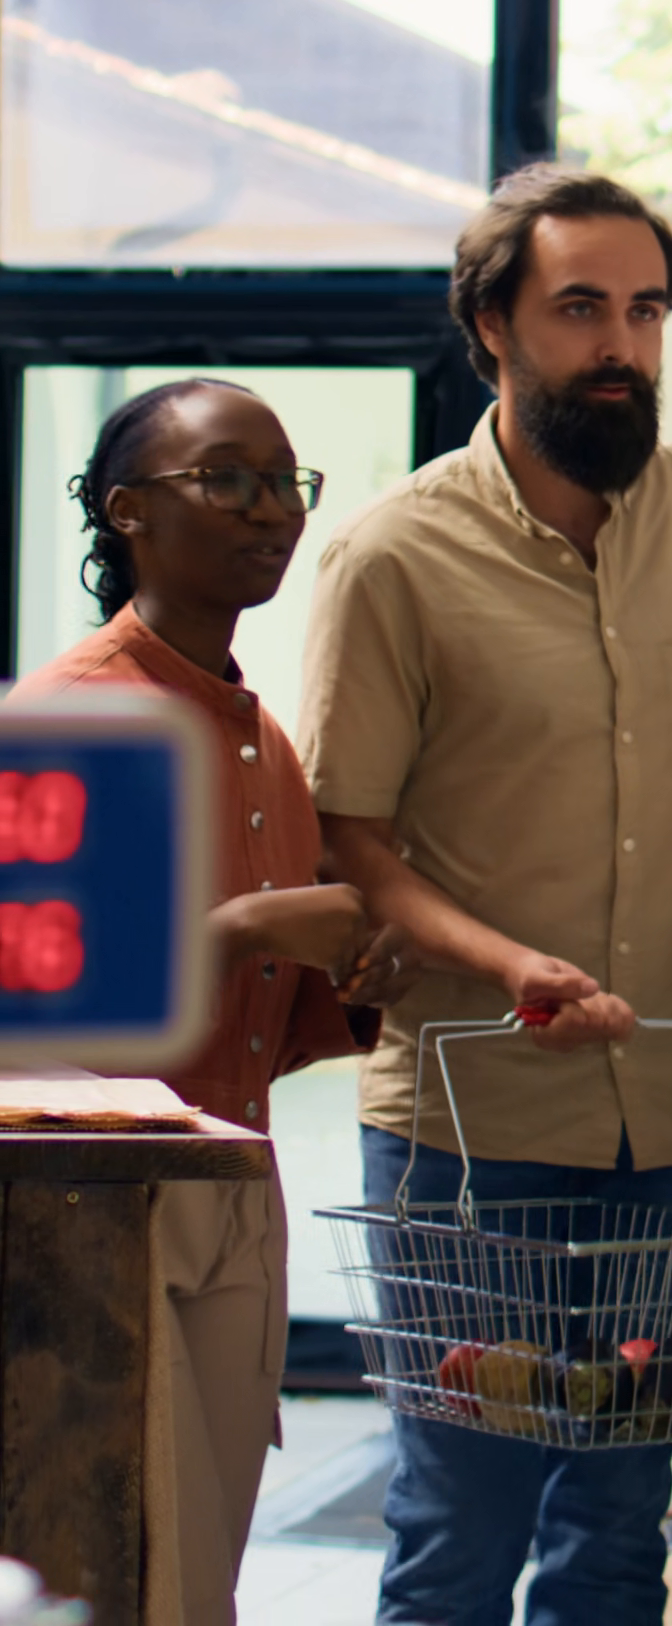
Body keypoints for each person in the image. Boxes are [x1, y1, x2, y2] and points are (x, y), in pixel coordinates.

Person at [296, 165, 672, 1626]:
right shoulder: (393, 554)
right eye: (581, 309)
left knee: (622, 1528)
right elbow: (351, 842)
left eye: (645, 312)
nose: (622, 345)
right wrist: (510, 963)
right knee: (459, 1529)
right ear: (492, 328)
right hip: (473, 1128)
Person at [7, 377, 413, 1626]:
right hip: (90, 1198)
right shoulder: (69, 719)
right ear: (126, 510)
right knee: (130, 1572)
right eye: (227, 479)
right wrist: (245, 929)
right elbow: (28, 1013)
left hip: (234, 1175)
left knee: (203, 1575)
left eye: (285, 482)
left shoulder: (259, 735)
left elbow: (265, 1026)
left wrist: (355, 983)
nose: (270, 510)